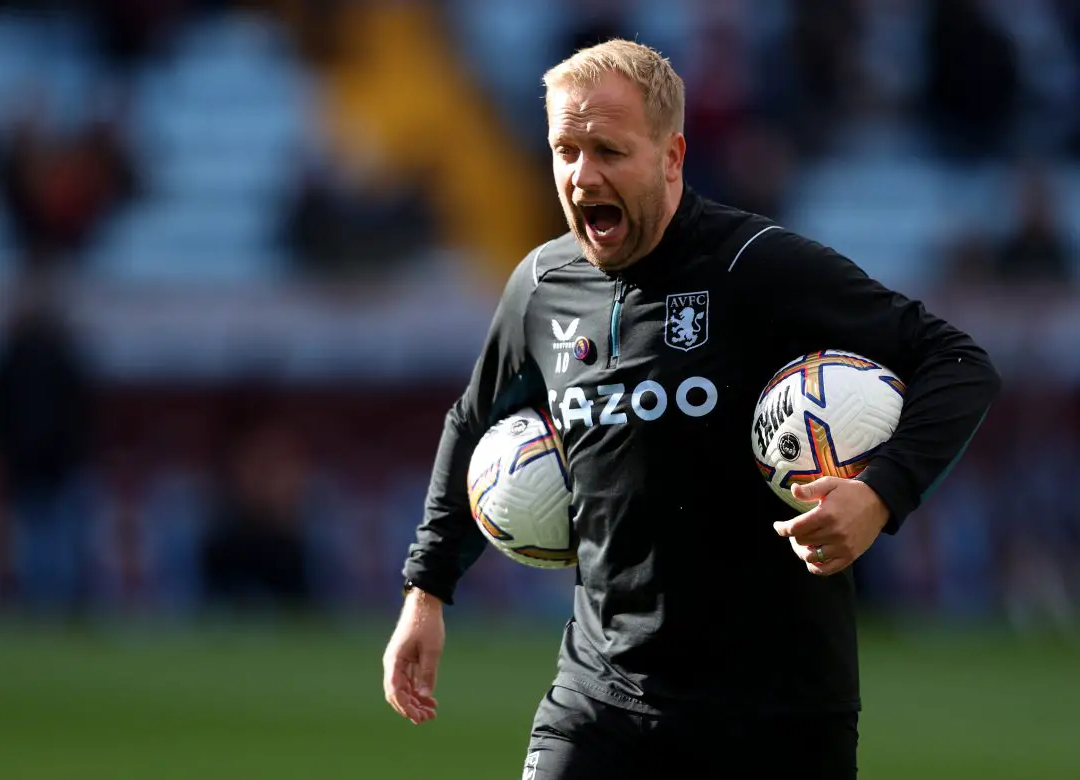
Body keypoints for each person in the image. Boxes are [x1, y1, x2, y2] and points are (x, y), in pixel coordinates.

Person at [382, 40, 1001, 779]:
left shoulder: (757, 267)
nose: (582, 176)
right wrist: (426, 593)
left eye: (608, 151)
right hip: (599, 699)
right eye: (565, 150)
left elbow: (959, 365)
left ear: (672, 157)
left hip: (777, 714)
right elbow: (473, 421)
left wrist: (878, 494)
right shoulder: (542, 285)